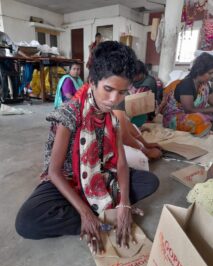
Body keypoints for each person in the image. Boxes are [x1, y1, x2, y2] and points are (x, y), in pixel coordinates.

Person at [15, 41, 159, 253]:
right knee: (27, 222)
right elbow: (54, 172)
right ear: (92, 81)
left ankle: (103, 208)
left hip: (101, 174)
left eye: (121, 92)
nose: (114, 100)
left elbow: (120, 162)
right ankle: (95, 216)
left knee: (150, 181)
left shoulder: (114, 119)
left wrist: (125, 204)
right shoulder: (70, 113)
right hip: (67, 179)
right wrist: (85, 213)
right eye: (108, 89)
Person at [162, 53, 213, 137]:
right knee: (199, 119)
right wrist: (210, 110)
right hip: (176, 118)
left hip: (196, 114)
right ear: (200, 70)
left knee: (203, 118)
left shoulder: (206, 85)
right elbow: (189, 110)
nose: (212, 76)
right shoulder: (187, 84)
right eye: (210, 73)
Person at [0, 31, 29, 101]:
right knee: (3, 75)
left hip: (3, 57)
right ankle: (5, 96)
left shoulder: (3, 35)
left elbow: (13, 46)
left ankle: (16, 95)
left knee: (15, 74)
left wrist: (25, 56)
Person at [129, 60, 158, 127]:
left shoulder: (148, 82)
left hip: (146, 114)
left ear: (141, 73)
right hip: (136, 108)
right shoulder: (136, 81)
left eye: (134, 75)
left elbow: (136, 101)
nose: (132, 77)